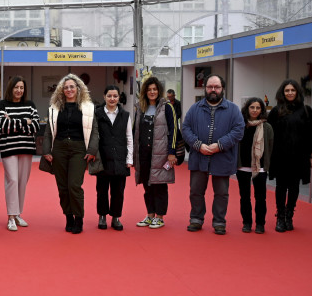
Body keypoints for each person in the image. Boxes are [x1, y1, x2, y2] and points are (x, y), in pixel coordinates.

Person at [182, 75, 245, 235]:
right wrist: (198, 145)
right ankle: (196, 219)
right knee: (195, 191)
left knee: (222, 193)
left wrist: (220, 145)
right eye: (210, 87)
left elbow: (239, 130)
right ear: (205, 88)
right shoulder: (195, 108)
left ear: (222, 88)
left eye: (216, 87)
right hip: (199, 156)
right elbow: (186, 128)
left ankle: (219, 222)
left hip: (222, 157)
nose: (213, 90)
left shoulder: (233, 109)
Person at [42, 74, 98, 234]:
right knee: (62, 187)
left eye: (72, 86)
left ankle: (79, 218)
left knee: (74, 185)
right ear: (61, 90)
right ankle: (68, 217)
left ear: (78, 89)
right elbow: (47, 132)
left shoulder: (88, 107)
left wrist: (92, 150)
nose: (69, 89)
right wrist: (46, 150)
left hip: (79, 149)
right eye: (66, 87)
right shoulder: (54, 108)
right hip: (59, 148)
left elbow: (94, 131)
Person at [268, 79, 312, 232]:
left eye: (292, 90)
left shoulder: (306, 111)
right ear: (282, 93)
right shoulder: (276, 111)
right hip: (280, 156)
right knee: (281, 186)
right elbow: (268, 135)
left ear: (297, 92)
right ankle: (280, 217)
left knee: (294, 187)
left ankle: (289, 215)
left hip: (300, 156)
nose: (290, 93)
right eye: (287, 91)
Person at [0, 75, 39, 231]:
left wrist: (13, 121)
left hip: (26, 148)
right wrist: (24, 122)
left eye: (21, 87)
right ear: (11, 88)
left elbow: (35, 126)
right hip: (8, 147)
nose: (19, 90)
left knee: (22, 181)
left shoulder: (30, 105)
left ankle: (18, 213)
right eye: (16, 87)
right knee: (12, 180)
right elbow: (3, 125)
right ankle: (11, 217)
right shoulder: (3, 104)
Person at [133, 77, 176, 230]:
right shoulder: (140, 108)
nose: (152, 92)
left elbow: (173, 130)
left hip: (161, 153)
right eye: (149, 89)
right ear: (145, 91)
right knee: (147, 185)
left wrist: (172, 152)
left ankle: (160, 216)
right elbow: (135, 131)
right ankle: (150, 214)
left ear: (159, 91)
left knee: (160, 186)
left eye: (154, 89)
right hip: (144, 153)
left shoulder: (167, 107)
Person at [94, 85, 133, 231]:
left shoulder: (125, 115)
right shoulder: (97, 114)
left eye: (115, 96)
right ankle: (102, 216)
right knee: (102, 190)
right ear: (104, 97)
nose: (112, 99)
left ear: (119, 98)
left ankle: (116, 217)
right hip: (102, 159)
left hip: (120, 159)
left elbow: (129, 138)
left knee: (118, 191)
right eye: (109, 96)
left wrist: (129, 159)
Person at [237, 97, 273, 234]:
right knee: (244, 197)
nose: (255, 110)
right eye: (252, 107)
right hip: (243, 167)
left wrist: (268, 165)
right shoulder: (240, 125)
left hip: (260, 167)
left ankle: (260, 224)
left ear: (262, 110)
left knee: (260, 197)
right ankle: (246, 222)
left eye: (258, 108)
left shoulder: (267, 127)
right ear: (247, 109)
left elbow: (270, 147)